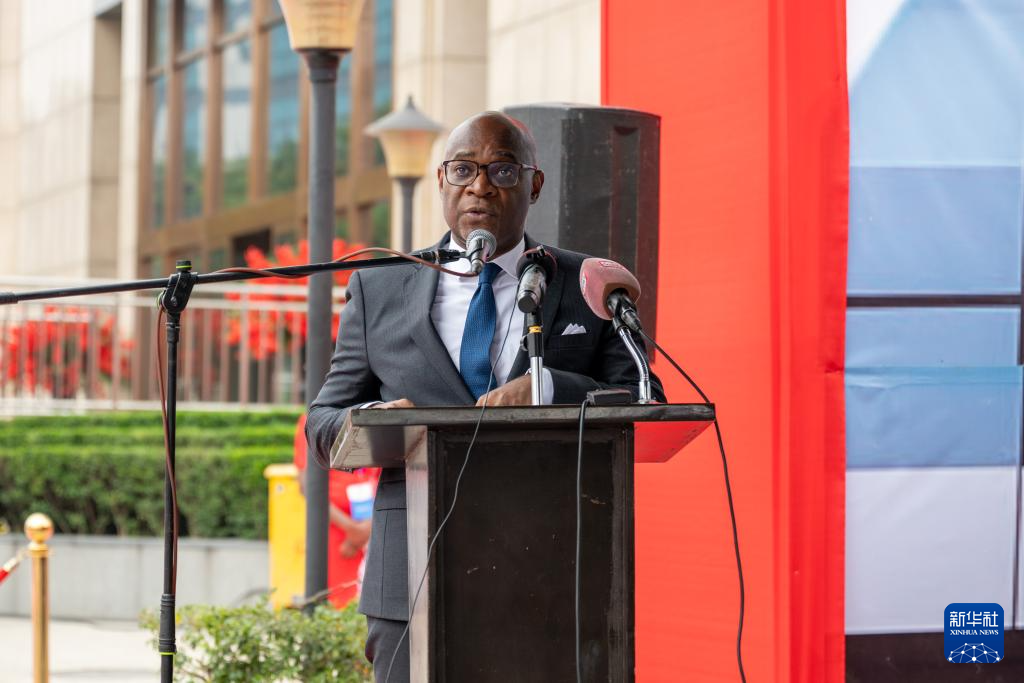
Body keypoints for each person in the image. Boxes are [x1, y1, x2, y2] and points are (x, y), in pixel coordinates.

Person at [306, 111, 665, 682]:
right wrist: (374, 419)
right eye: (463, 169)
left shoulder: (587, 282)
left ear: (533, 184)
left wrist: (549, 387)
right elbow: (323, 420)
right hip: (409, 575)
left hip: (553, 568)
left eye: (501, 170)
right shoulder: (379, 286)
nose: (479, 186)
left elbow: (644, 396)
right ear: (441, 179)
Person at [292, 413, 379, 607]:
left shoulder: (374, 413)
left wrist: (368, 528)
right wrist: (352, 529)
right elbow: (308, 485)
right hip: (334, 530)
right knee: (338, 602)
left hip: (376, 526)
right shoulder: (313, 418)